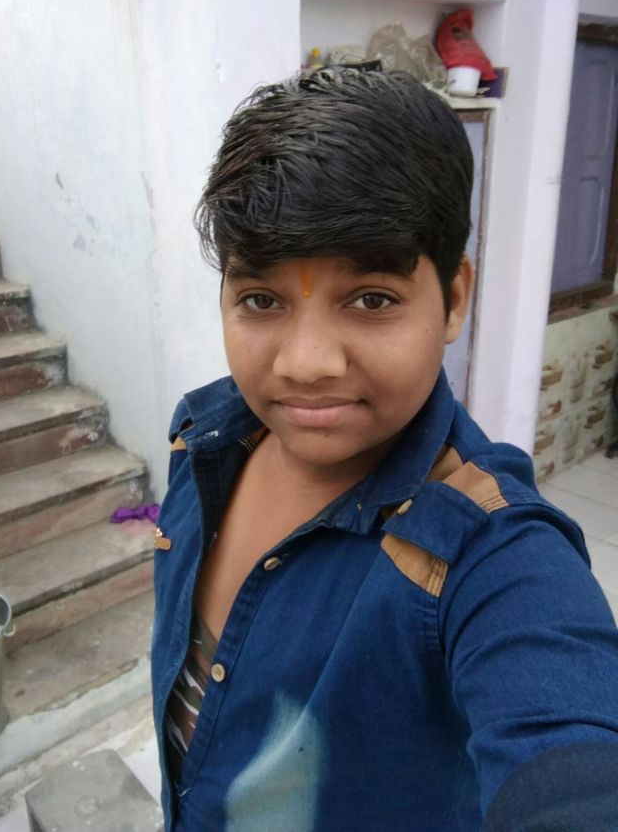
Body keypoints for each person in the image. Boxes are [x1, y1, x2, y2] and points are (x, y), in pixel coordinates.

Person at [151, 69, 618, 831]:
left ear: (454, 298)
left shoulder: (485, 555)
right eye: (261, 299)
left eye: (371, 299)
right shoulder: (203, 436)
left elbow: (569, 753)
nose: (307, 362)